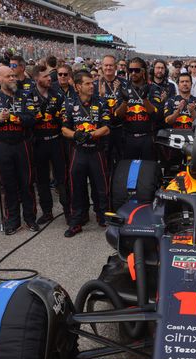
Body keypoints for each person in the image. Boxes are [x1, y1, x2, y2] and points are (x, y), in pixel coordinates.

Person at [0, 65, 38, 235]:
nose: (13, 79)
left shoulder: (25, 95)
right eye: (9, 76)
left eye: (14, 75)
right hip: (2, 145)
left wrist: (15, 119)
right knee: (8, 184)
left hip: (23, 144)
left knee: (27, 183)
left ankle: (30, 219)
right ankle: (12, 220)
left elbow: (32, 118)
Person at [61, 70, 111, 237]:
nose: (92, 86)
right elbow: (64, 129)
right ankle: (76, 221)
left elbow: (107, 127)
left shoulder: (101, 102)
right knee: (76, 188)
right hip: (78, 152)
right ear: (78, 86)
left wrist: (92, 134)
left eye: (93, 83)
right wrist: (76, 135)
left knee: (102, 188)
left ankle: (104, 217)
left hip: (96, 151)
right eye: (88, 83)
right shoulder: (69, 103)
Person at [29, 64, 67, 224]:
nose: (49, 78)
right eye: (45, 76)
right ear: (36, 78)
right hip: (38, 143)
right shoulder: (28, 96)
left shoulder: (57, 95)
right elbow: (27, 120)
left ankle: (68, 211)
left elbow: (65, 118)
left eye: (49, 75)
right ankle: (47, 212)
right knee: (42, 180)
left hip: (56, 141)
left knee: (62, 179)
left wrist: (58, 116)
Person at [116, 57, 159, 160]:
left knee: (147, 171)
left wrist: (145, 99)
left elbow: (155, 115)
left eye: (137, 70)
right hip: (128, 137)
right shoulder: (123, 88)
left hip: (148, 137)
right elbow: (118, 116)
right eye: (131, 70)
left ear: (143, 71)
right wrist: (125, 102)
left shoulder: (153, 88)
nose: (133, 73)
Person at [95, 54, 127, 169]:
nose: (108, 68)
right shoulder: (95, 84)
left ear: (116, 67)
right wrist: (101, 96)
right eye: (106, 65)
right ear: (102, 66)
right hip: (103, 131)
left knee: (122, 163)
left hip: (120, 129)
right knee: (104, 164)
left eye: (111, 65)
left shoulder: (124, 83)